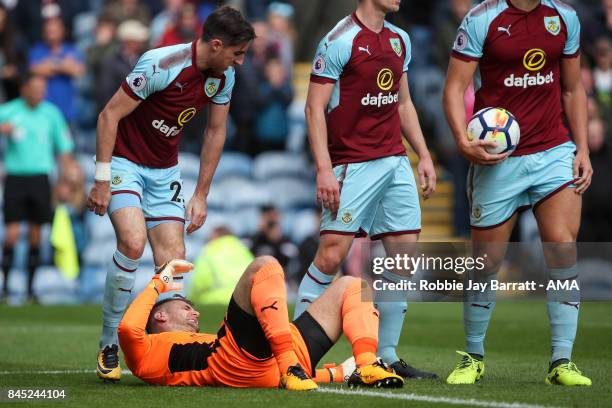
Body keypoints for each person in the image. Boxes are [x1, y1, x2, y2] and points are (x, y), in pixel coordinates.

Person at [86, 6, 255, 382]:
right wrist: (101, 178)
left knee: (173, 260)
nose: (239, 62)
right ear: (215, 45)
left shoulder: (221, 77)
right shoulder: (162, 63)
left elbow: (215, 132)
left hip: (165, 172)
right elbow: (108, 116)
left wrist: (201, 194)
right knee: (131, 244)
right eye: (236, 53)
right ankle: (109, 342)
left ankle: (170, 347)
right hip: (125, 163)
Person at [443, 0, 593, 386]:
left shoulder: (565, 17)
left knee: (562, 247)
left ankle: (562, 361)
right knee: (486, 262)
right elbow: (455, 86)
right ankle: (472, 355)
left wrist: (583, 148)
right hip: (498, 158)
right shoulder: (482, 19)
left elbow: (574, 89)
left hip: (553, 150)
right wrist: (462, 141)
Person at [293, 0, 438, 380]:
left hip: (394, 160)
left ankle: (386, 355)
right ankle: (294, 352)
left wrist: (422, 154)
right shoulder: (338, 41)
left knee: (403, 258)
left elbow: (403, 102)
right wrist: (324, 169)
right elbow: (313, 108)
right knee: (331, 255)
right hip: (351, 164)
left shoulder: (399, 39)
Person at [118, 256, 404, 390]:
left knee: (353, 285)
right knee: (264, 266)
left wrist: (336, 374)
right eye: (185, 308)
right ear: (160, 316)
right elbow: (127, 328)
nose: (195, 314)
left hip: (275, 361)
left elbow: (264, 378)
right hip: (231, 361)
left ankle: (367, 364)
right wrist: (160, 281)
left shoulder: (195, 338)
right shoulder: (146, 350)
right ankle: (290, 365)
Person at [0, 73, 74, 302]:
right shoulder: (9, 111)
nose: (40, 93)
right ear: (24, 89)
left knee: (36, 235)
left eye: (43, 88)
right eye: (35, 88)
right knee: (11, 235)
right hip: (15, 177)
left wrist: (64, 182)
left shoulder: (51, 114)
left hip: (41, 179)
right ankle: (5, 288)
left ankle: (31, 291)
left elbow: (64, 150)